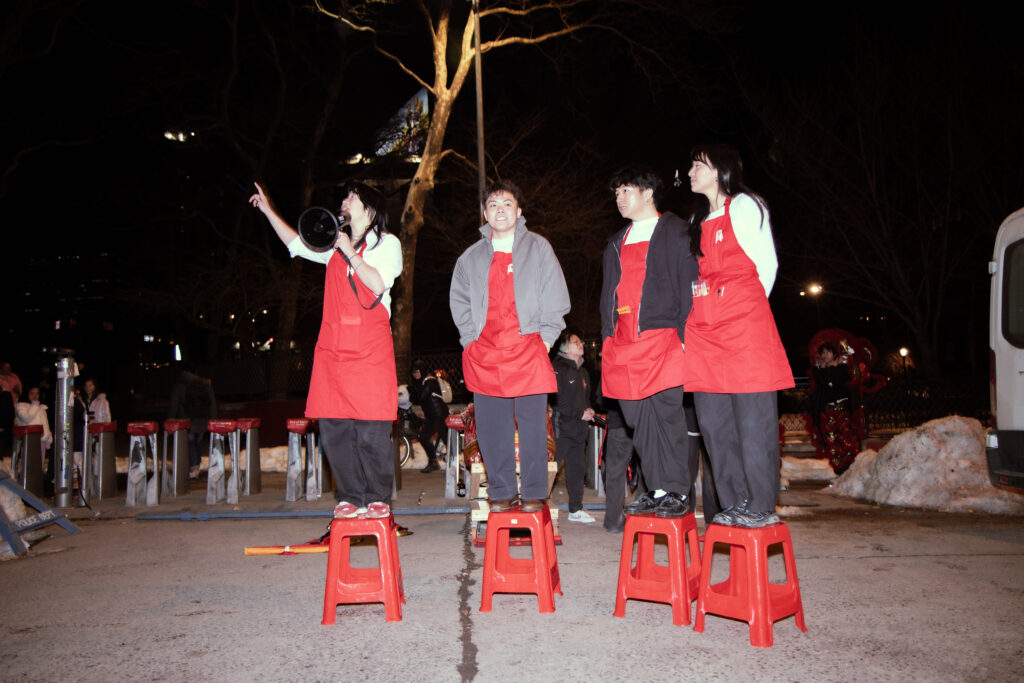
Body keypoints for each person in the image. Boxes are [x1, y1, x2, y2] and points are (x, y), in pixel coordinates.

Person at [250, 181, 402, 519]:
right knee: (334, 430)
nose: (344, 202)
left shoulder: (387, 244)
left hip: (369, 350)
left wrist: (349, 251)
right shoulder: (333, 244)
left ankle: (377, 497)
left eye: (351, 198)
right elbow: (295, 244)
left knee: (371, 429)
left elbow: (378, 284)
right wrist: (268, 210)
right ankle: (349, 496)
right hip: (333, 349)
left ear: (369, 209)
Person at [682, 144, 794, 528]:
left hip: (743, 328)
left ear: (720, 170)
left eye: (699, 164)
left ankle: (760, 504)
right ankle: (734, 503)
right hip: (705, 333)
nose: (692, 170)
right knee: (714, 424)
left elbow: (766, 266)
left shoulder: (745, 205)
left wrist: (740, 310)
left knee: (753, 423)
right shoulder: (697, 220)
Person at [450, 180, 570, 513]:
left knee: (533, 426)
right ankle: (501, 491)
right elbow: (459, 301)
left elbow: (556, 296)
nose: (500, 210)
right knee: (491, 428)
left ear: (519, 210)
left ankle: (534, 492)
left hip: (528, 348)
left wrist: (545, 339)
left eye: (507, 204)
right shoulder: (470, 258)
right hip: (485, 353)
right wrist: (469, 341)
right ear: (485, 213)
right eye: (493, 205)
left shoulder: (538, 247)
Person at [599, 167, 699, 518]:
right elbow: (607, 296)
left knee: (667, 419)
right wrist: (607, 337)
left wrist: (688, 335)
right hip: (624, 343)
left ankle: (677, 491)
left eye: (626, 190)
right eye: (616, 193)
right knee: (638, 422)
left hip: (664, 338)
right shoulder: (615, 242)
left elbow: (689, 284)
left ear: (647, 193)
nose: (619, 198)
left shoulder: (675, 231)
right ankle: (656, 489)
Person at [551, 331, 596, 523]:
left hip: (579, 430)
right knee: (550, 469)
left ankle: (575, 510)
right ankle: (536, 505)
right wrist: (579, 413)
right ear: (565, 348)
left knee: (577, 471)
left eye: (580, 341)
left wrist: (588, 410)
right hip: (561, 430)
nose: (581, 344)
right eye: (576, 342)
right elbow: (557, 401)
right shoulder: (557, 368)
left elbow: (584, 400)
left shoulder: (583, 372)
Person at [168, 364, 218, 479]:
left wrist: (170, 419)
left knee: (189, 443)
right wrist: (213, 419)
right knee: (198, 442)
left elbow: (174, 405)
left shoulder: (179, 386)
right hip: (202, 420)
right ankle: (196, 465)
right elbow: (212, 403)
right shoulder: (205, 385)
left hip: (187, 421)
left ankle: (193, 467)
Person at [410, 360, 450, 473]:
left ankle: (453, 463)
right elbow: (413, 398)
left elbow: (420, 397)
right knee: (425, 437)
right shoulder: (420, 383)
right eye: (414, 372)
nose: (416, 374)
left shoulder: (430, 381)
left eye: (417, 371)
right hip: (432, 416)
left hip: (439, 415)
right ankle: (434, 462)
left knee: (445, 439)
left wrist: (414, 393)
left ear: (422, 371)